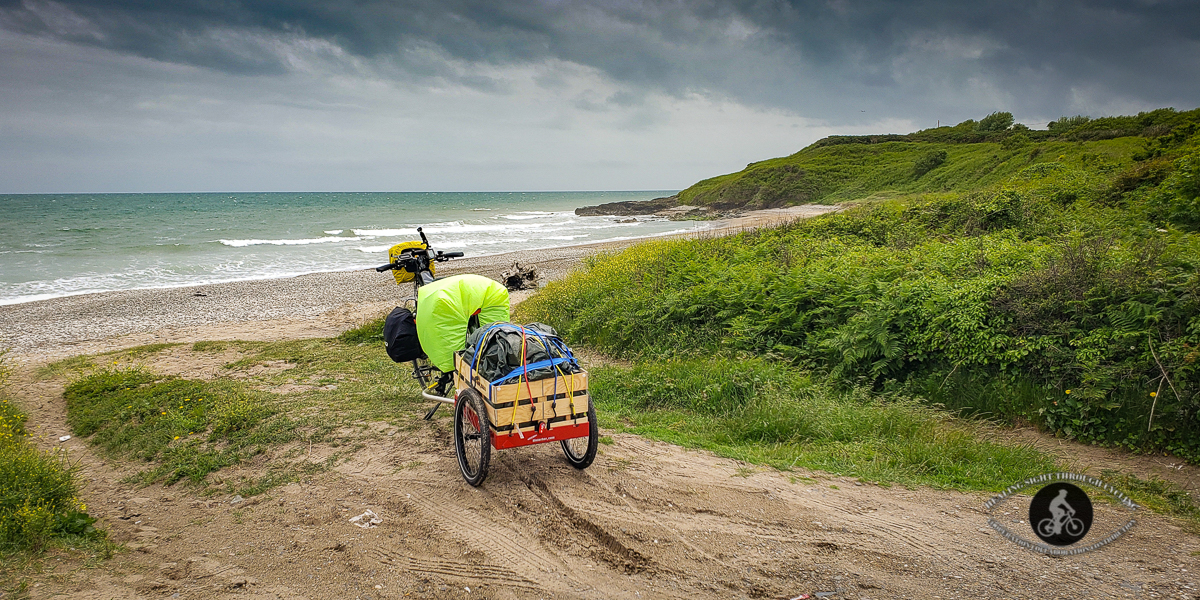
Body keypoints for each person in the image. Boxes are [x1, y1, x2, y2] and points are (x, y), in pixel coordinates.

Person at [414, 273, 510, 373]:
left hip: (439, 294)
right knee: (495, 340)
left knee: (493, 337)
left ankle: (463, 363)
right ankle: (463, 365)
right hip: (468, 293)